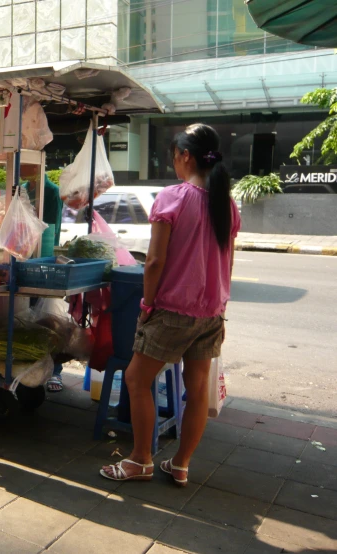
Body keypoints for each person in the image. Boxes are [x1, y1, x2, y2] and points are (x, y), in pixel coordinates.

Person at [100, 124, 240, 486]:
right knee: (196, 392)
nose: (174, 163)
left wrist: (148, 304)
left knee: (136, 378)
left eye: (175, 157)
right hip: (212, 312)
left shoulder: (173, 197)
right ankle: (180, 465)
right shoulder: (227, 203)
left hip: (173, 310)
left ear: (186, 156)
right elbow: (229, 262)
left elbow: (154, 262)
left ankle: (140, 460)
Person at [20, 166, 65, 391]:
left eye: (22, 164)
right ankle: (30, 366)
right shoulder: (22, 189)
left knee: (45, 319)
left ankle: (53, 371)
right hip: (21, 258)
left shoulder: (52, 191)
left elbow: (50, 229)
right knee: (26, 318)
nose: (18, 168)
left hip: (42, 259)